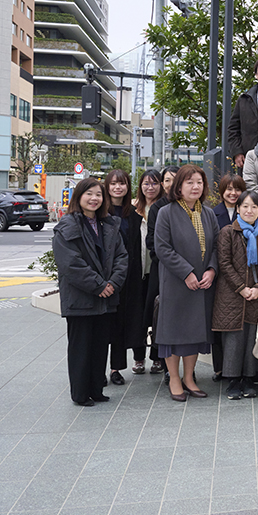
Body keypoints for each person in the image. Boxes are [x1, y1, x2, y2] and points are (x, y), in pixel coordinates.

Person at [53, 178, 128, 406]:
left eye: (98, 194)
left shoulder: (109, 225)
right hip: (81, 299)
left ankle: (96, 389)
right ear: (78, 197)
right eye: (89, 194)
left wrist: (112, 283)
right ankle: (80, 394)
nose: (94, 198)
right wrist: (99, 285)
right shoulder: (68, 225)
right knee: (81, 348)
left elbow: (122, 258)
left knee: (99, 346)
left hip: (105, 299)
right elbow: (70, 264)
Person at [154, 165, 220, 401]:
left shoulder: (208, 213)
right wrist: (187, 272)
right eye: (190, 182)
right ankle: (174, 378)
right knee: (174, 332)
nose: (195, 186)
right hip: (176, 282)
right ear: (179, 186)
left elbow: (215, 247)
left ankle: (190, 377)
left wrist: (212, 270)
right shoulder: (166, 212)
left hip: (202, 284)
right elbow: (162, 248)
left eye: (199, 182)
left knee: (195, 332)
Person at [214, 191, 258, 401]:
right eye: (245, 206)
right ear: (237, 209)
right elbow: (224, 263)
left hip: (255, 293)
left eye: (254, 207)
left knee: (251, 336)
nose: (249, 210)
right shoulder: (228, 232)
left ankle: (248, 378)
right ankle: (233, 380)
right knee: (234, 337)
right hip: (231, 294)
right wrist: (241, 287)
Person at [103, 169, 144, 388]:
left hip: (130, 277)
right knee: (104, 326)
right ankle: (98, 368)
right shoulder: (100, 213)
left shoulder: (134, 216)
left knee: (121, 324)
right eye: (113, 184)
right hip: (106, 279)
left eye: (122, 184)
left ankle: (115, 369)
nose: (118, 188)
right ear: (107, 187)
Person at [145, 165, 179, 376]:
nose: (171, 184)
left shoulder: (192, 206)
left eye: (175, 179)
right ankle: (167, 367)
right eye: (167, 180)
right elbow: (153, 243)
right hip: (164, 272)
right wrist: (174, 263)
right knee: (164, 319)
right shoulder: (158, 208)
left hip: (189, 274)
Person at [134, 170, 163, 377]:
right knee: (138, 317)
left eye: (154, 183)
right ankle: (138, 357)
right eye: (146, 183)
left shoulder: (163, 208)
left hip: (156, 271)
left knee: (156, 315)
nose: (150, 187)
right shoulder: (133, 208)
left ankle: (157, 358)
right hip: (137, 271)